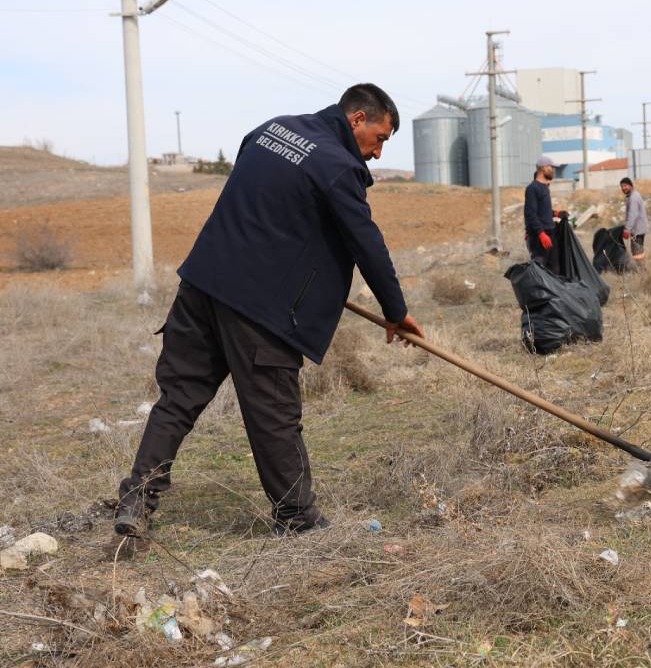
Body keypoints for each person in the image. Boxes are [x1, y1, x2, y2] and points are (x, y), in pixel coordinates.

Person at [114, 84, 425, 537]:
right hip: (261, 310)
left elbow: (272, 206)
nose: (377, 154)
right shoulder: (337, 167)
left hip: (202, 285)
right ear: (357, 120)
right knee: (275, 415)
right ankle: (298, 518)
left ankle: (136, 499)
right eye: (379, 139)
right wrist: (396, 311)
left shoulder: (268, 131)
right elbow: (367, 245)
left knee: (177, 399)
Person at [524, 156, 563, 271]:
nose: (553, 170)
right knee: (540, 269)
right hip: (539, 237)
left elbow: (542, 211)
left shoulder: (545, 187)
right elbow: (531, 213)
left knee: (555, 269)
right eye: (551, 167)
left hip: (550, 233)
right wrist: (541, 233)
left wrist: (556, 213)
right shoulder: (532, 188)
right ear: (543, 168)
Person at [619, 177, 648, 262]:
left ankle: (641, 271)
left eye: (625, 185)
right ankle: (642, 269)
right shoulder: (634, 195)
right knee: (639, 250)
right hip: (640, 228)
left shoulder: (633, 198)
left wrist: (627, 230)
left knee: (637, 252)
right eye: (622, 186)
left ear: (631, 186)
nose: (623, 188)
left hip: (637, 229)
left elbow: (632, 215)